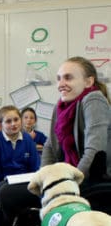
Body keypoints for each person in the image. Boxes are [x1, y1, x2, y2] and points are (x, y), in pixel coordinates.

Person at [41, 56, 111, 190]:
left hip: (94, 180)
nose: (61, 84)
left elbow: (94, 150)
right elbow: (50, 146)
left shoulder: (93, 99)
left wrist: (70, 184)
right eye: (59, 78)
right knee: (5, 188)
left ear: (88, 82)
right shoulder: (61, 106)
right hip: (71, 176)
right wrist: (45, 179)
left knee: (9, 194)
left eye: (68, 78)